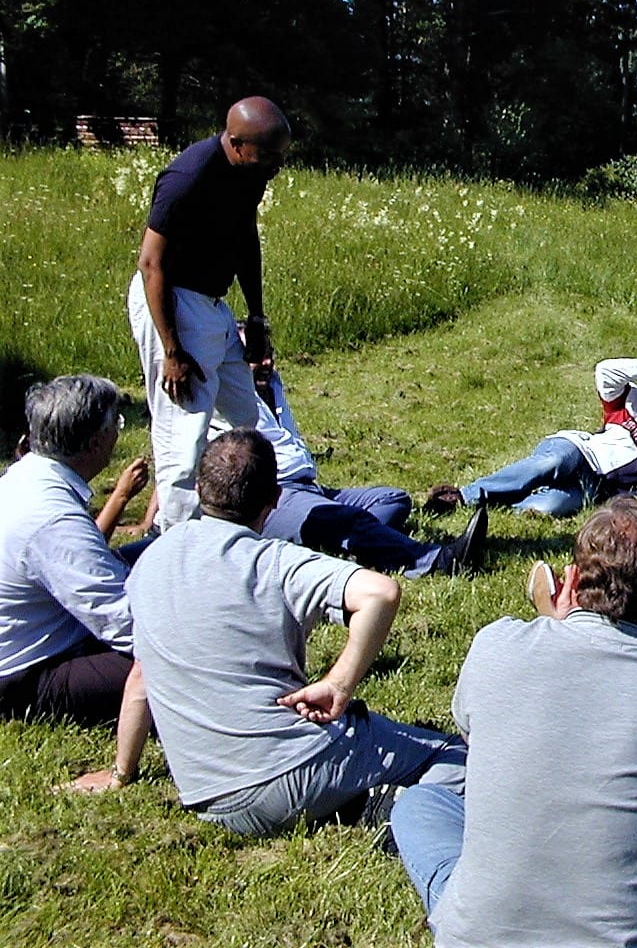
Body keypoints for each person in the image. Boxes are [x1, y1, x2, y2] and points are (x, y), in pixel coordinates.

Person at [391, 498, 637, 947]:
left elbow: (475, 743)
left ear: (570, 579)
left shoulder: (496, 644)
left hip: (475, 939)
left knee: (420, 804)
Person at [126, 430, 466, 838]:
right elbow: (381, 592)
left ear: (198, 489)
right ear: (275, 498)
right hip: (292, 770)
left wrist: (121, 770)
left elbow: (141, 677)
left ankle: (361, 801)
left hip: (208, 797)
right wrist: (339, 683)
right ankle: (402, 815)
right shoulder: (276, 562)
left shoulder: (151, 560)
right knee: (455, 759)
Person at [128, 96, 288, 530]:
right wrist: (172, 351)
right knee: (184, 430)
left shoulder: (249, 174)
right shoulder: (188, 177)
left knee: (242, 416)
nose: (276, 166)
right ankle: (177, 537)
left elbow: (244, 240)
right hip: (173, 303)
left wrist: (256, 317)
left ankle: (231, 515)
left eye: (281, 156)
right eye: (269, 155)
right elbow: (150, 263)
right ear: (235, 143)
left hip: (212, 304)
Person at [0, 375, 150, 791]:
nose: (117, 434)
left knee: (155, 553)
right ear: (92, 445)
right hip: (29, 674)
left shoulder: (26, 478)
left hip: (41, 635)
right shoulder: (52, 519)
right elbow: (125, 624)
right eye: (115, 425)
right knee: (185, 662)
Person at [246, 347, 485, 577]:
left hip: (309, 486)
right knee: (349, 520)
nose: (266, 362)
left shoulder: (273, 385)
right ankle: (441, 561)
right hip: (276, 494)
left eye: (269, 353)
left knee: (393, 499)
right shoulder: (226, 399)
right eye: (257, 355)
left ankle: (353, 548)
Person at [426, 357, 637, 517]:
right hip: (579, 452)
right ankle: (462, 496)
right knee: (549, 465)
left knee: (548, 507)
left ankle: (494, 504)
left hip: (597, 489)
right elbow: (604, 370)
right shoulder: (632, 401)